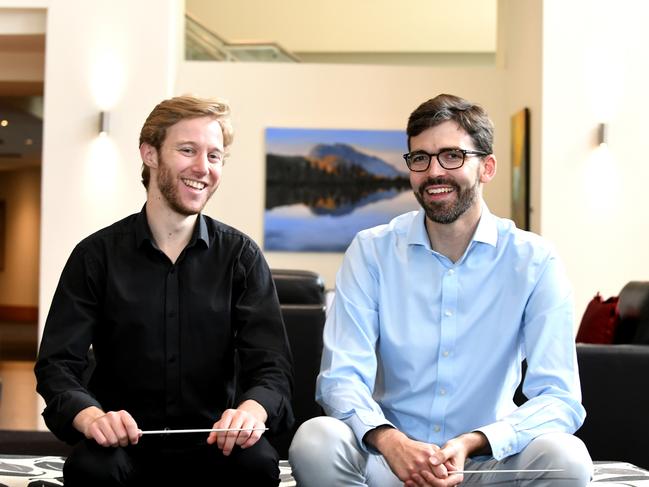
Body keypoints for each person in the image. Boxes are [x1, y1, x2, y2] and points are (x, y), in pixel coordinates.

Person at [289, 94, 592, 487]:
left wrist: (475, 441)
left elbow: (559, 397)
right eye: (421, 158)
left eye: (452, 156)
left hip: (486, 462)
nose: (434, 172)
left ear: (487, 167)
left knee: (567, 458)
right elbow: (340, 379)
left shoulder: (534, 261)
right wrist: (391, 441)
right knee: (315, 440)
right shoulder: (372, 250)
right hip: (390, 460)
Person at [35, 95, 293, 486]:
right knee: (90, 469)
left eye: (214, 156)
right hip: (121, 446)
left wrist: (250, 412)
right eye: (187, 150)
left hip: (215, 443)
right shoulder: (95, 256)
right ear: (150, 154)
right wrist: (92, 417)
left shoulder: (241, 256)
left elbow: (271, 365)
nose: (202, 168)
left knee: (256, 464)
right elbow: (56, 365)